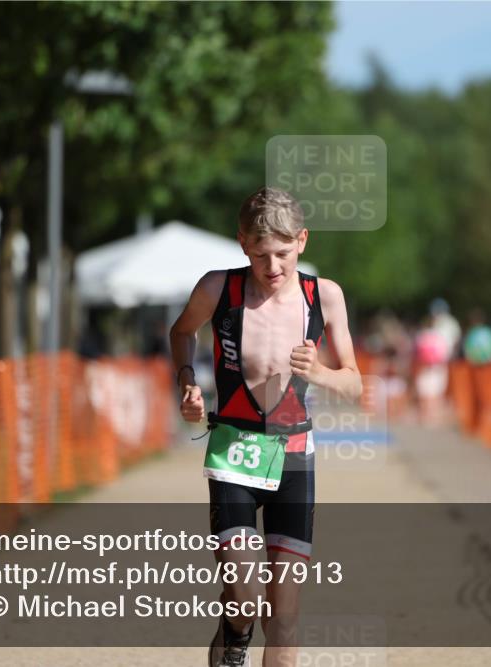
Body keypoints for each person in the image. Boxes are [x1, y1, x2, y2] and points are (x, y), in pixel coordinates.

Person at [169, 187, 362, 667]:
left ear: (302, 241)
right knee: (246, 595)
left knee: (285, 614)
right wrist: (187, 383)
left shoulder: (326, 296)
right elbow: (181, 332)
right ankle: (234, 636)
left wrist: (318, 373)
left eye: (282, 254)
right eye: (260, 255)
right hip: (234, 449)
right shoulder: (220, 288)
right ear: (241, 244)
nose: (272, 267)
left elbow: (355, 384)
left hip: (295, 453)